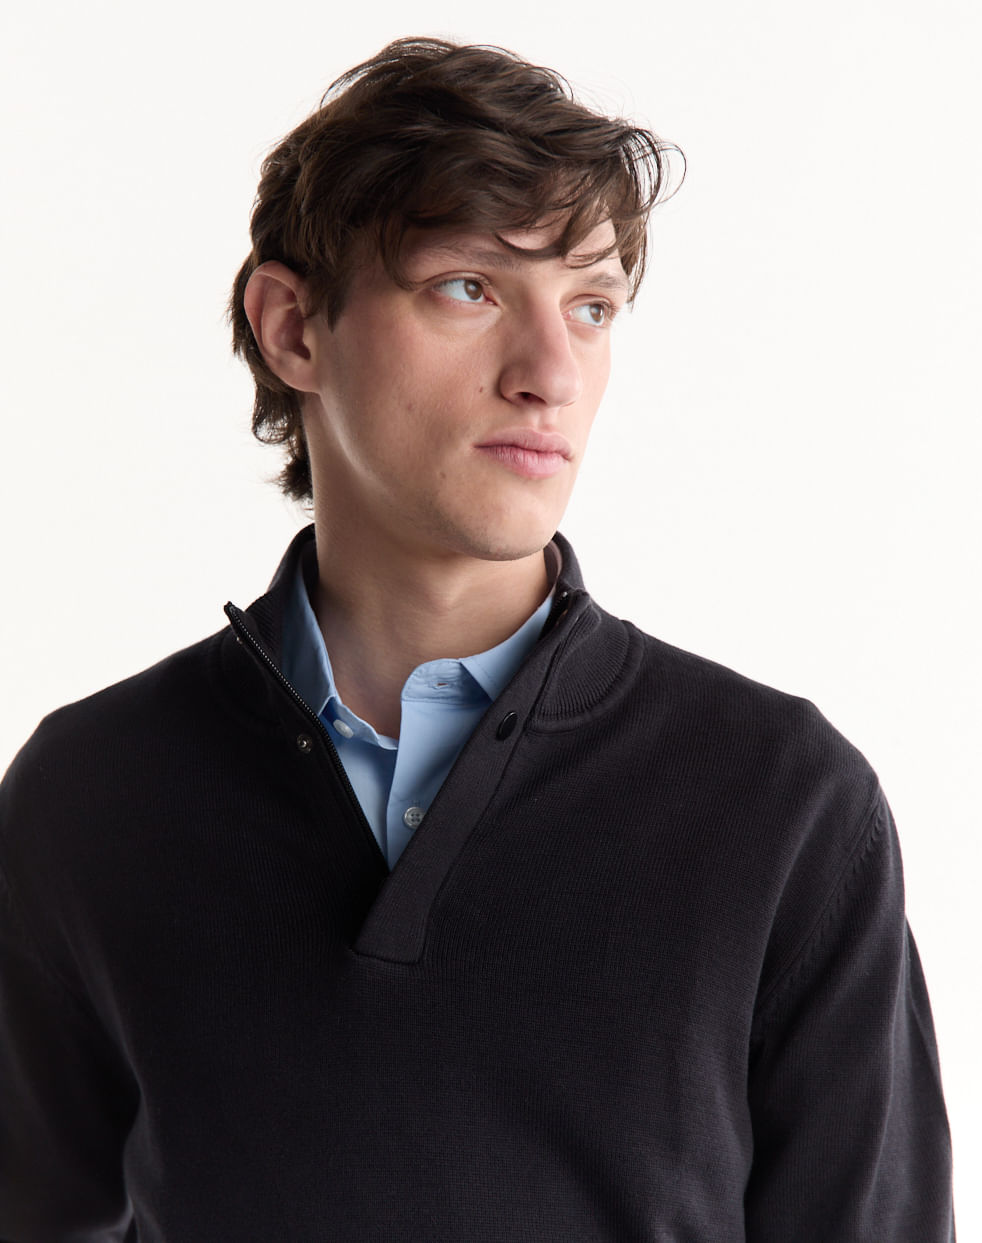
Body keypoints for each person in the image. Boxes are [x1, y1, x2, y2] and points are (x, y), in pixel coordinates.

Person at [0, 36, 955, 1242]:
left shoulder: (781, 802)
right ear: (293, 329)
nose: (551, 372)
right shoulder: (93, 794)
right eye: (470, 287)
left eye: (591, 306)